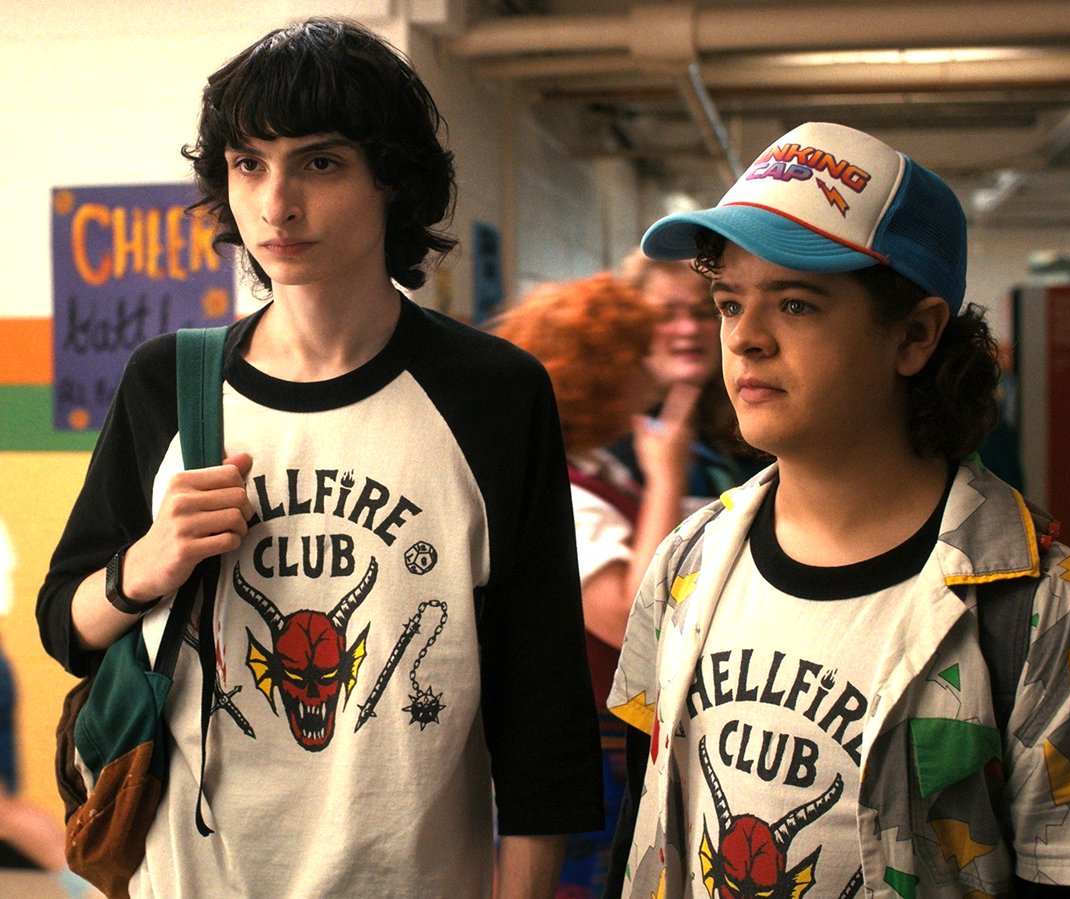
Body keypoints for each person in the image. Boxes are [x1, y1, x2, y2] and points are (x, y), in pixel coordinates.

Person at [36, 18, 602, 898]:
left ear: (391, 178)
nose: (276, 204)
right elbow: (62, 625)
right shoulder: (169, 382)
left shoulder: (492, 393)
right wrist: (146, 563)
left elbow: (543, 715)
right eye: (248, 163)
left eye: (321, 163)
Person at [606, 121, 1070, 897]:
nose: (746, 340)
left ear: (915, 335)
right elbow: (644, 825)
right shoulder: (687, 562)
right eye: (730, 303)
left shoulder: (1046, 616)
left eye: (796, 304)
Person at [490, 273, 698, 897]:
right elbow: (633, 619)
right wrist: (666, 477)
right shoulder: (564, 492)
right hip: (592, 762)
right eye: (636, 357)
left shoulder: (597, 467)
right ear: (599, 377)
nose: (649, 369)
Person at [611, 252, 764, 516]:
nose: (689, 329)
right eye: (664, 315)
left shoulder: (746, 435)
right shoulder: (604, 453)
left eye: (703, 312)